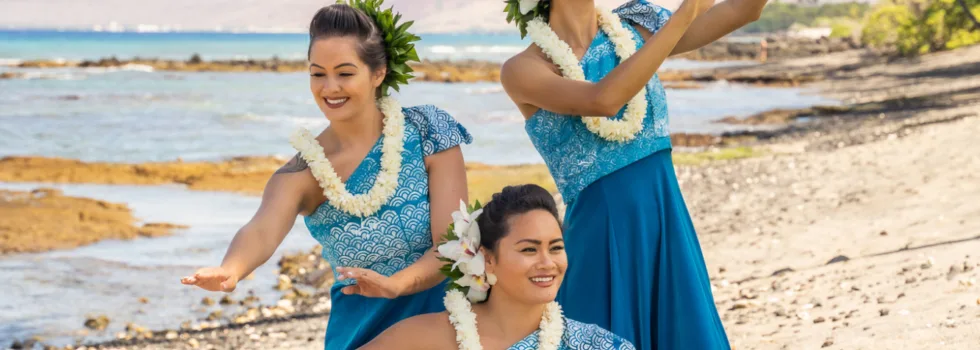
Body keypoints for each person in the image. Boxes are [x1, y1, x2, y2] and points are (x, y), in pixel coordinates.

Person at [180, 1, 472, 349]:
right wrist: (230, 270)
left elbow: (453, 245)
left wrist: (398, 285)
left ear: (378, 73)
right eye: (318, 73)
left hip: (446, 320)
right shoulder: (301, 174)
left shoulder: (427, 131)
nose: (329, 87)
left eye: (345, 73)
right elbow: (261, 229)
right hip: (362, 331)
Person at [498, 0, 768, 348]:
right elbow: (603, 100)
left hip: (664, 221)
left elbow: (743, 10)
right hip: (600, 240)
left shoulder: (636, 26)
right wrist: (685, 13)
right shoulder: (523, 69)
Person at [362, 184, 636, 349]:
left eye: (556, 248)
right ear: (488, 258)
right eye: (529, 249)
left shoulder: (595, 345)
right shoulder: (423, 338)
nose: (547, 263)